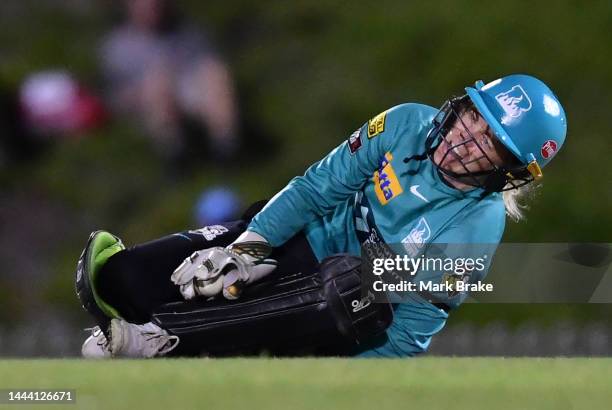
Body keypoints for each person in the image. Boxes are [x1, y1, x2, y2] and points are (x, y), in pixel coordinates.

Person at [75, 74, 567, 358]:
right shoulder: (406, 123)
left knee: (355, 287)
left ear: (508, 171)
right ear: (462, 106)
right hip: (298, 243)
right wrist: (247, 249)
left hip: (328, 318)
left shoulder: (474, 230)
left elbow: (409, 328)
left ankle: (167, 341)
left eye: (489, 143)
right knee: (120, 281)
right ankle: (160, 325)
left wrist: (340, 385)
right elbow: (317, 186)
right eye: (475, 117)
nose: (466, 138)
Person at [99, 0, 239, 163]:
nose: (153, 9)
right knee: (157, 84)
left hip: (186, 93)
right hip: (144, 104)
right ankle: (174, 156)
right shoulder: (117, 46)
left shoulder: (188, 34)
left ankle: (227, 148)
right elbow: (114, 94)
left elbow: (203, 67)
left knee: (214, 72)